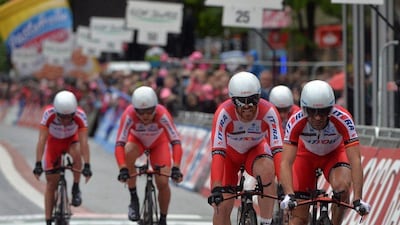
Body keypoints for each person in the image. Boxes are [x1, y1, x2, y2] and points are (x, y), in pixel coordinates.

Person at [279, 80, 371, 225]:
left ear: (331, 108)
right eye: (312, 111)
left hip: (334, 155)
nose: (317, 117)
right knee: (298, 220)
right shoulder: (295, 120)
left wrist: (358, 199)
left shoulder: (343, 118)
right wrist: (289, 195)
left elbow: (355, 160)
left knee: (342, 189)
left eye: (323, 111)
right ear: (304, 109)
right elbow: (285, 162)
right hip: (305, 157)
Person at [207, 71, 284, 225]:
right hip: (229, 156)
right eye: (241, 102)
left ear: (259, 97)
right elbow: (218, 152)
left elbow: (278, 150)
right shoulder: (223, 113)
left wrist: (282, 184)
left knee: (268, 170)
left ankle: (266, 221)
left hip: (255, 151)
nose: (248, 107)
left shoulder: (269, 111)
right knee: (221, 209)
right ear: (232, 100)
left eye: (253, 100)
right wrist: (216, 188)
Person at [114, 86, 184, 225]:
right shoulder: (128, 115)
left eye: (149, 112)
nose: (145, 116)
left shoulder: (162, 114)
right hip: (137, 141)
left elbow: (176, 142)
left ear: (155, 108)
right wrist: (123, 169)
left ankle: (163, 218)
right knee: (128, 151)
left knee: (163, 182)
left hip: (159, 143)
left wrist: (176, 167)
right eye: (141, 112)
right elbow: (119, 144)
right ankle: (134, 198)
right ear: (135, 110)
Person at [32, 90, 92, 225]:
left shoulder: (80, 115)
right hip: (54, 143)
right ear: (56, 111)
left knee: (77, 152)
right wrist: (38, 164)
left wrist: (87, 165)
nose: (65, 121)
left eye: (69, 117)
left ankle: (75, 187)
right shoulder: (48, 114)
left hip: (72, 140)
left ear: (74, 112)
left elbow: (84, 143)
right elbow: (42, 140)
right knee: (51, 184)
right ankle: (48, 219)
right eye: (61, 117)